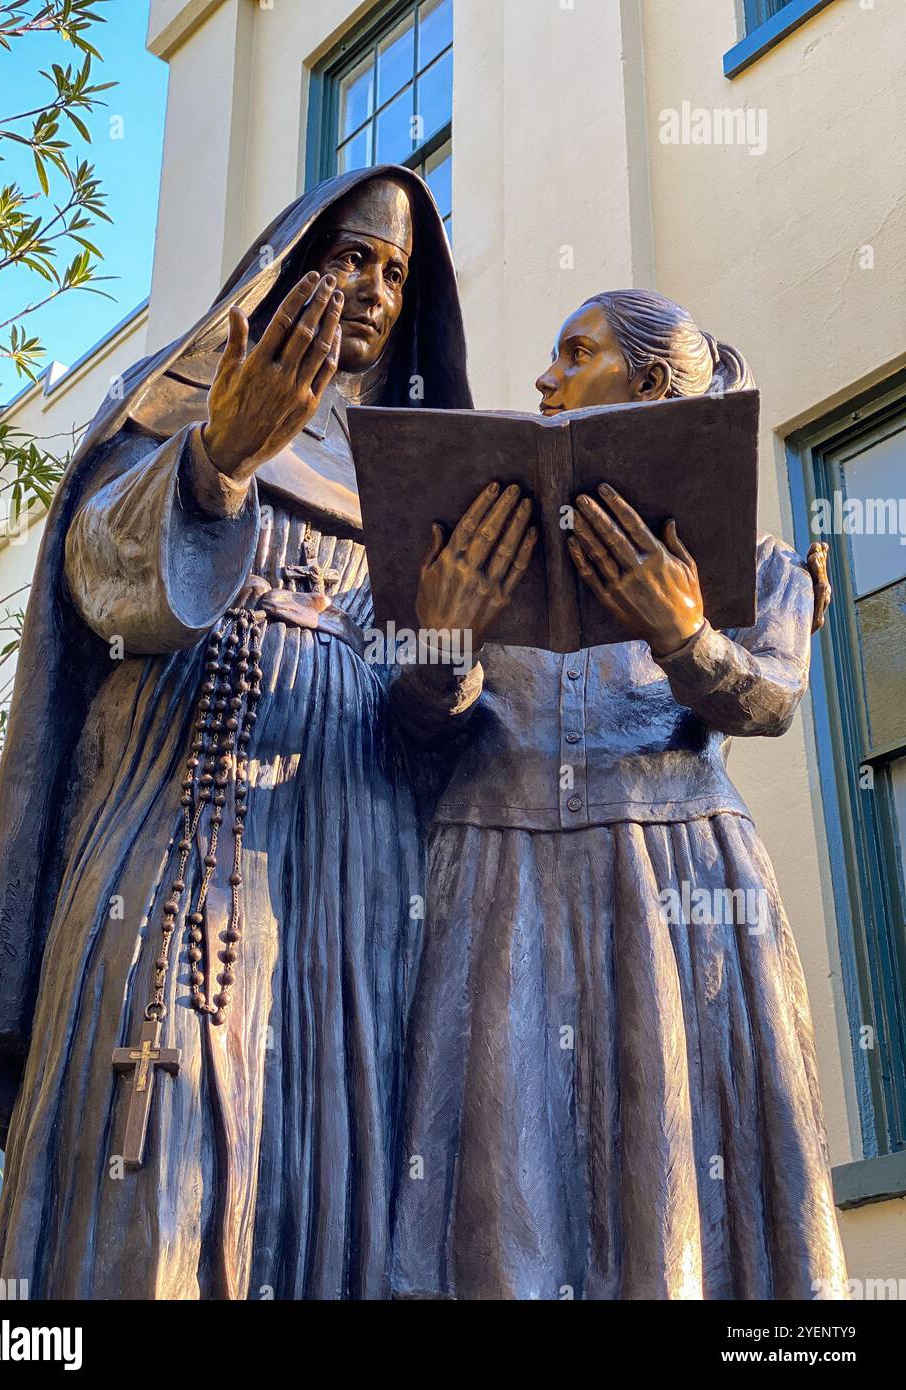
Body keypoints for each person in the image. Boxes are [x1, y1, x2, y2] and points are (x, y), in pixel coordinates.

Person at [0, 166, 472, 1300]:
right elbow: (100, 577)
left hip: (352, 854)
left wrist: (454, 646)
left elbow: (432, 716)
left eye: (398, 271)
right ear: (293, 261)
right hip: (173, 818)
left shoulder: (410, 471)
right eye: (352, 256)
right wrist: (219, 460)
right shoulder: (180, 401)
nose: (377, 288)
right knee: (156, 1141)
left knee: (333, 1152)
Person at [392, 289, 847, 1300]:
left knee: (670, 1169)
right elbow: (413, 731)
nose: (544, 378)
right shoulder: (482, 560)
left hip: (674, 871)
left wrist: (685, 633)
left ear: (646, 382)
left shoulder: (758, 565)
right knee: (502, 1182)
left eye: (574, 353)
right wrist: (443, 637)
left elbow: (767, 702)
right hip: (498, 873)